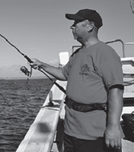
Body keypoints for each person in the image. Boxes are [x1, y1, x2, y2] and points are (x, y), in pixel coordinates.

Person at [31, 9, 124, 152]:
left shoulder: (105, 53)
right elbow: (63, 74)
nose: (72, 27)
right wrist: (42, 65)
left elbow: (116, 91)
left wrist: (113, 128)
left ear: (90, 26)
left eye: (76, 23)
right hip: (71, 130)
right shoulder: (78, 53)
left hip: (95, 134)